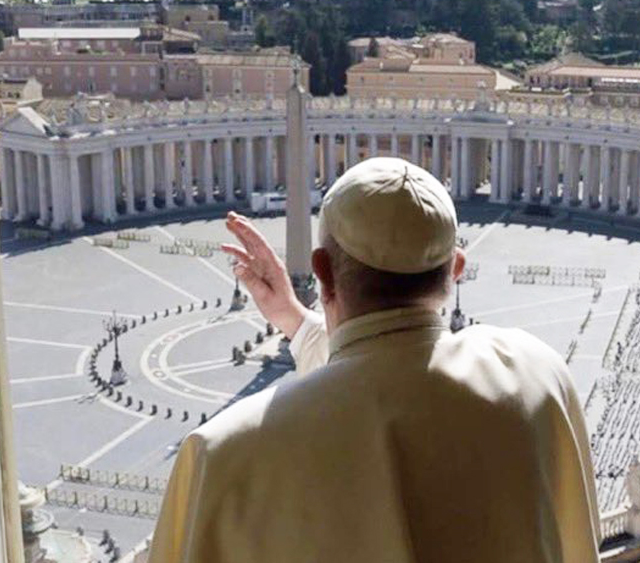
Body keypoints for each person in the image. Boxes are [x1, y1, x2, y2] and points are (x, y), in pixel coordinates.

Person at [148, 158, 600, 563]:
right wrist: (297, 321)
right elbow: (395, 369)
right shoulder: (538, 374)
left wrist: (302, 319)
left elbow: (365, 382)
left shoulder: (222, 452)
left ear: (321, 270)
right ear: (456, 268)